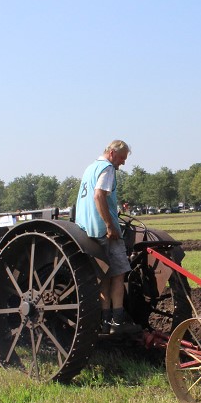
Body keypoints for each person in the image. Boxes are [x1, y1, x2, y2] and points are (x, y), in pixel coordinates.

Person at [75, 140, 142, 335]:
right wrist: (110, 225)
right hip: (105, 231)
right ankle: (118, 323)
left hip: (86, 230)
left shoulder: (90, 168)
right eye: (121, 158)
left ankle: (104, 323)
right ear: (112, 153)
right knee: (119, 274)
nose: (122, 163)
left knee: (103, 276)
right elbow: (98, 196)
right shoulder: (107, 168)